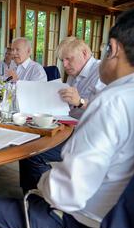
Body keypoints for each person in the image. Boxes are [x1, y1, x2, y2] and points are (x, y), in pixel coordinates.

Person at [0, 7, 134, 228]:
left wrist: (44, 184)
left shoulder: (112, 101)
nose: (64, 66)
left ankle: (34, 210)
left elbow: (68, 194)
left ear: (114, 48)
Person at [19, 37, 106, 193]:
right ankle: (30, 193)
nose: (64, 65)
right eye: (62, 60)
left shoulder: (101, 72)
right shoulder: (75, 72)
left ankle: (44, 198)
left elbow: (106, 110)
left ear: (84, 53)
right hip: (67, 127)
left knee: (33, 152)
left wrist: (80, 101)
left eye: (68, 59)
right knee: (27, 142)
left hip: (87, 136)